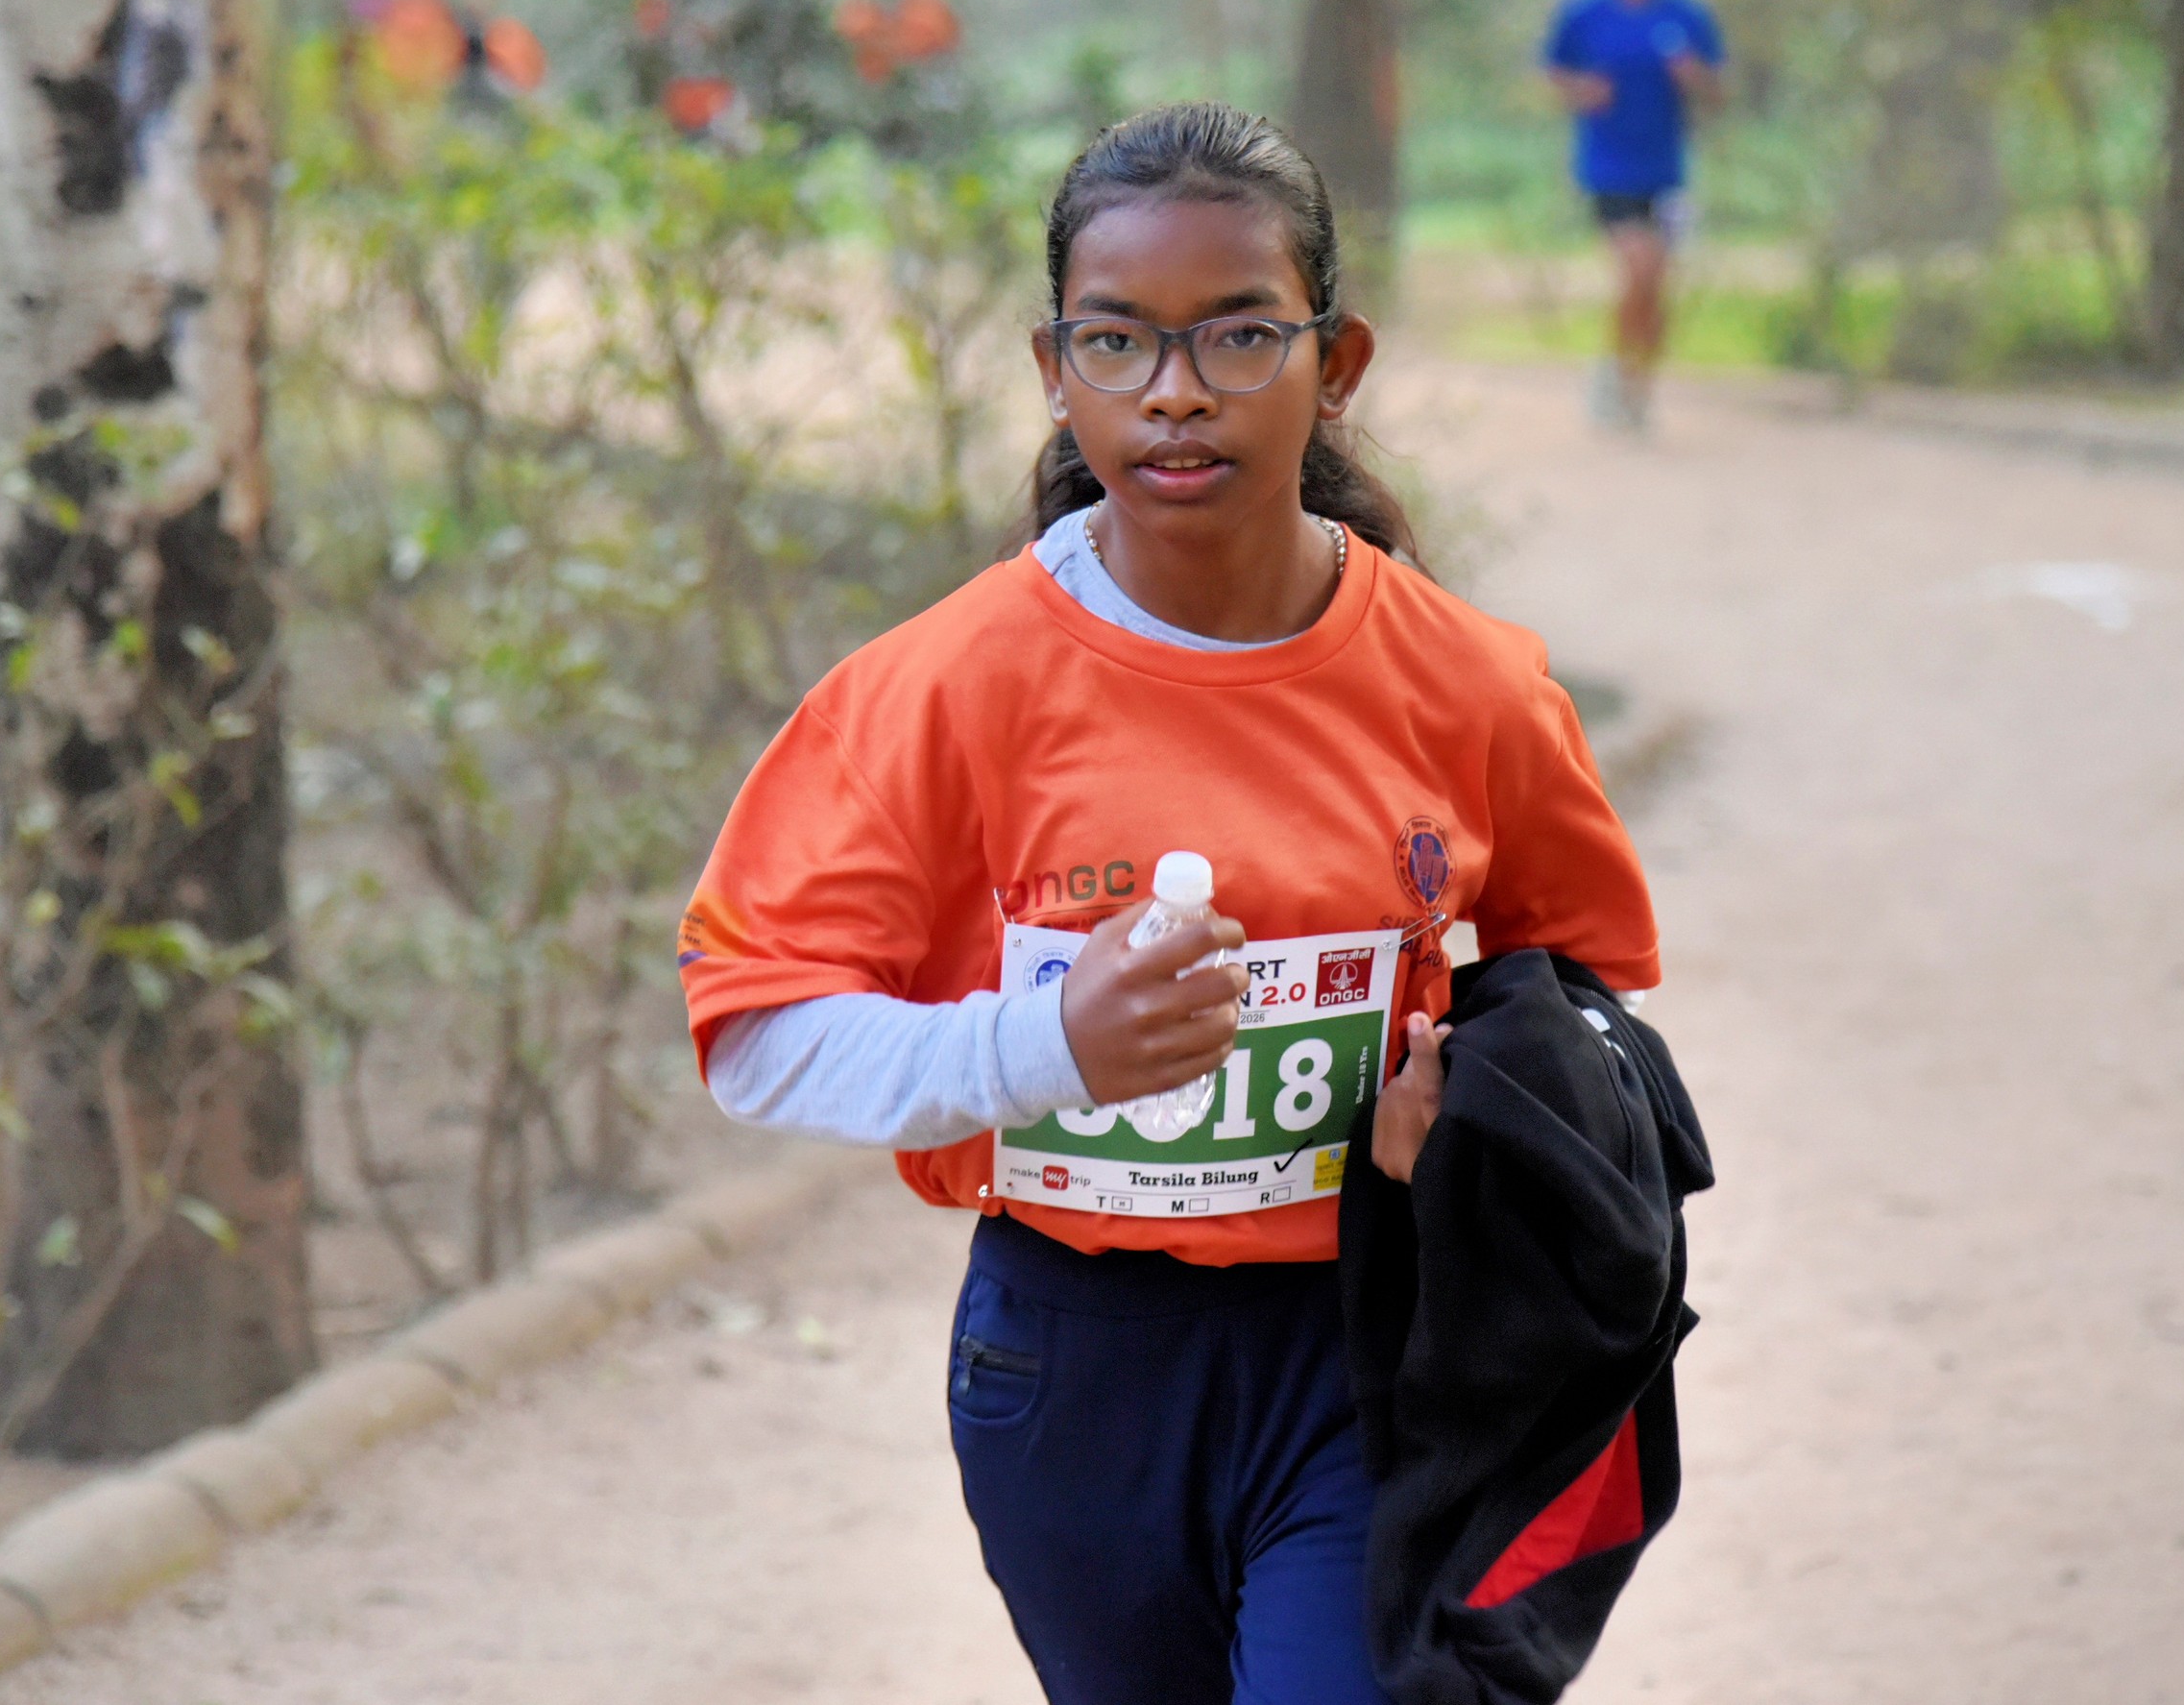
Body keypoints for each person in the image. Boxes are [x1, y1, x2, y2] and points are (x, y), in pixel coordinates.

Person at [678, 102, 1660, 1704]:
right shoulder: (939, 688)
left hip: (1370, 1345)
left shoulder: (1469, 682)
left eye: (1239, 333)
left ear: (1336, 363)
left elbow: (1582, 990)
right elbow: (753, 1034)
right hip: (1068, 1368)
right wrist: (1044, 1047)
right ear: (1052, 366)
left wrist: (1474, 1105)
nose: (1176, 389)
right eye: (1117, 339)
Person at [1541, 0, 1725, 434]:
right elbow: (1554, 72)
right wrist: (1582, 90)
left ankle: (1634, 386)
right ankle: (1616, 376)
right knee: (1639, 268)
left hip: (1665, 171)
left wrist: (1694, 79)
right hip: (1608, 168)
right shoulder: (1584, 11)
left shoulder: (1686, 13)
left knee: (1655, 289)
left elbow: (1718, 90)